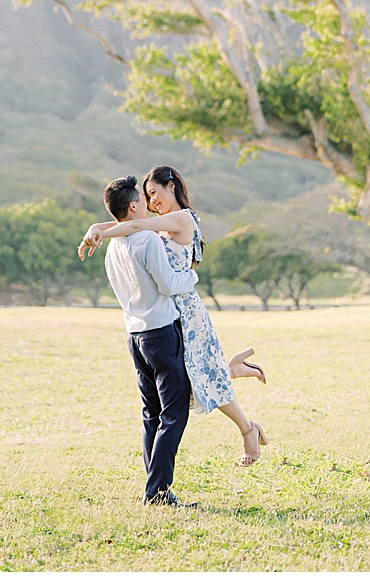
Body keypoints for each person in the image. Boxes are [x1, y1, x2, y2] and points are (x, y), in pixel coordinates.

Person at [81, 166, 269, 467]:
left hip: (186, 309)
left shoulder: (182, 218)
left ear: (171, 186)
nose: (152, 202)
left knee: (200, 376)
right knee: (196, 376)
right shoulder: (157, 224)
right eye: (147, 197)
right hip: (166, 310)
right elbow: (129, 222)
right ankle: (233, 371)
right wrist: (97, 228)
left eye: (154, 193)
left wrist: (99, 231)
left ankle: (247, 428)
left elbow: (130, 226)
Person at [94, 176, 202, 506]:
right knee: (174, 413)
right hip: (162, 333)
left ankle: (156, 489)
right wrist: (193, 276)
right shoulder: (148, 241)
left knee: (152, 414)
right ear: (134, 206)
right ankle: (157, 491)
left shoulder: (114, 248)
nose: (149, 204)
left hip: (135, 335)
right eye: (144, 198)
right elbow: (170, 284)